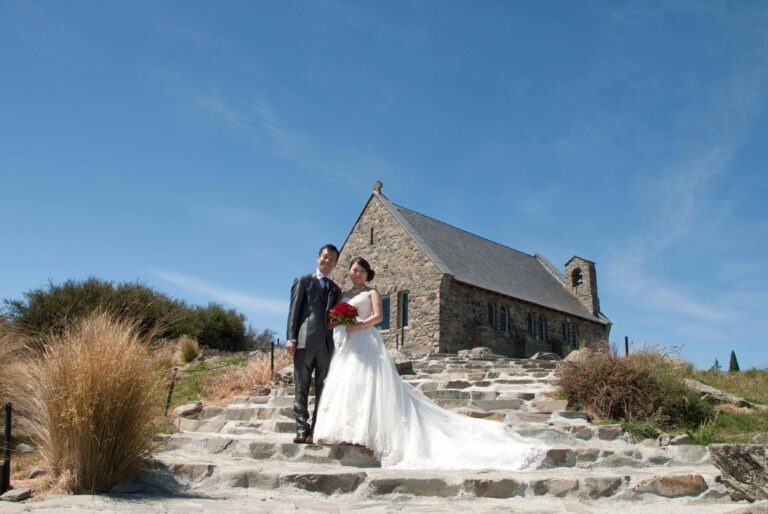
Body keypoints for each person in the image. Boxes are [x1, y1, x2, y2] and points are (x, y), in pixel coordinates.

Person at [313, 257, 547, 470]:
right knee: (350, 384)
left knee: (369, 383)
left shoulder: (373, 292)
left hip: (365, 338)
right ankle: (348, 429)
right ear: (349, 271)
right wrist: (340, 324)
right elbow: (332, 316)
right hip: (348, 344)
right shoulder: (342, 293)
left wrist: (356, 326)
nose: (357, 273)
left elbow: (378, 317)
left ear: (368, 274)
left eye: (362, 270)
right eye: (354, 269)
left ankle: (368, 432)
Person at [285, 244, 341, 444]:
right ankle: (301, 428)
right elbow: (294, 311)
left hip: (327, 344)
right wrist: (291, 338)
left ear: (335, 263)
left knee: (323, 387)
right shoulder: (303, 281)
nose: (328, 261)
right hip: (304, 341)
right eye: (325, 257)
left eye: (332, 259)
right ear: (318, 258)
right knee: (301, 385)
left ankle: (317, 428)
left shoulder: (336, 289)